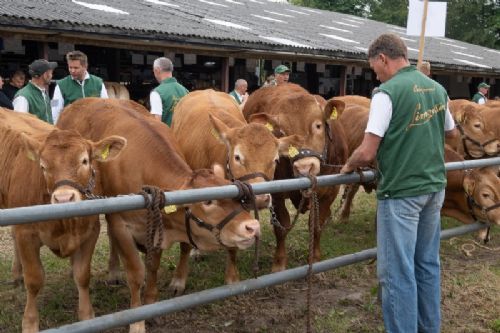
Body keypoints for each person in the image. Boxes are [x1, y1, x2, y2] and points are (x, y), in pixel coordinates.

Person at [340, 33, 457, 333]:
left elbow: (367, 150)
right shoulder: (437, 89)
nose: (374, 74)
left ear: (383, 58)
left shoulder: (386, 94)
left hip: (402, 192)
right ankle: (429, 328)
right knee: (427, 264)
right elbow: (452, 134)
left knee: (396, 272)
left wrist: (348, 165)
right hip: (434, 188)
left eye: (374, 68)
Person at [51, 50, 108, 123]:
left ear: (85, 66)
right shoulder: (60, 85)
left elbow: (106, 107)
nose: (72, 71)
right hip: (71, 128)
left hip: (94, 127)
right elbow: (54, 109)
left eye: (76, 68)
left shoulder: (98, 83)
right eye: (70, 67)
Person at [13, 59, 57, 123]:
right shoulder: (23, 97)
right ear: (45, 75)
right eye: (51, 73)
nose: (51, 76)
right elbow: (19, 124)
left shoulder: (43, 92)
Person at [149, 57, 188, 126]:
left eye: (154, 71)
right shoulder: (185, 91)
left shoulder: (157, 93)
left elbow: (157, 123)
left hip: (167, 136)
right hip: (184, 135)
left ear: (157, 70)